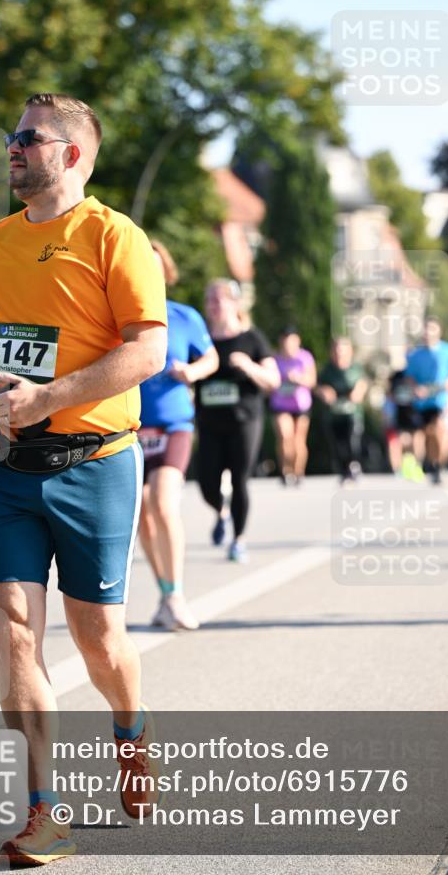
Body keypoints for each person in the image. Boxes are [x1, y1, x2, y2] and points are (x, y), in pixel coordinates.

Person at [0, 94, 168, 867]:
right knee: (12, 630)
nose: (10, 147)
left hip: (94, 463)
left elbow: (146, 351)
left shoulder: (112, 237)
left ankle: (130, 733)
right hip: (4, 468)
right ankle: (45, 812)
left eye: (25, 138)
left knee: (98, 640)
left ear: (69, 154)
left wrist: (48, 399)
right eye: (10, 137)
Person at [137, 239, 218, 630]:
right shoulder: (120, 318)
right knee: (141, 519)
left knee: (161, 503)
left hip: (174, 425)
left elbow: (211, 357)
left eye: (155, 266)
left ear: (166, 272)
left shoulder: (184, 317)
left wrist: (194, 373)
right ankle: (165, 591)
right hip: (132, 428)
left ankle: (177, 595)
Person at [195, 279, 280, 564]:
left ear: (234, 303)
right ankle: (222, 512)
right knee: (206, 483)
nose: (214, 306)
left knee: (240, 479)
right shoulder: (201, 339)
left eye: (220, 300)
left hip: (245, 420)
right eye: (210, 301)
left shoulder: (252, 338)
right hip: (208, 422)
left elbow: (273, 380)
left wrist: (249, 366)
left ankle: (238, 540)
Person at [404, 318, 448, 484]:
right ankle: (427, 464)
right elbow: (409, 377)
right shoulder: (415, 355)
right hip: (422, 401)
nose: (427, 332)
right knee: (422, 435)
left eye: (431, 329)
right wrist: (416, 388)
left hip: (440, 399)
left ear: (439, 331)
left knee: (439, 431)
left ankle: (439, 465)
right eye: (425, 329)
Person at [316, 337, 367, 484]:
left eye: (342, 349)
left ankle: (354, 466)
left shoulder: (356, 369)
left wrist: (358, 390)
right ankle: (344, 471)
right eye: (336, 349)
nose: (339, 353)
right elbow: (317, 386)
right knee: (338, 445)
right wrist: (323, 391)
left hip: (352, 413)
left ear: (349, 351)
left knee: (352, 440)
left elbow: (363, 383)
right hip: (333, 414)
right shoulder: (327, 370)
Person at [269, 327, 316, 486]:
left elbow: (312, 381)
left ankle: (298, 472)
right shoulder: (275, 359)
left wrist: (298, 379)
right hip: (280, 404)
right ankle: (285, 470)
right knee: (284, 436)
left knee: (298, 440)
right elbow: (269, 382)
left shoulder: (305, 358)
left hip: (301, 404)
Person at [383, 369, 424, 481]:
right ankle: (397, 470)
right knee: (394, 441)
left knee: (417, 437)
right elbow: (387, 413)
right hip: (397, 419)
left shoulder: (418, 380)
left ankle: (417, 465)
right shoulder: (391, 398)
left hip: (412, 416)